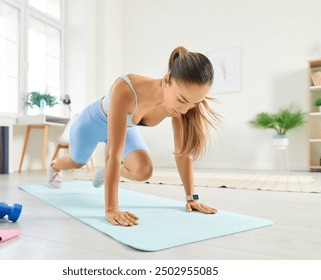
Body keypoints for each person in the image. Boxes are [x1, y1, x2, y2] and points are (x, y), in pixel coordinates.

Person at [48, 46, 220, 227]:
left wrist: (191, 198)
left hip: (126, 127)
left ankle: (105, 174)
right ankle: (54, 166)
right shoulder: (125, 88)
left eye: (194, 104)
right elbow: (113, 153)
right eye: (182, 100)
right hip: (90, 124)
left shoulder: (178, 108)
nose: (185, 110)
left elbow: (182, 152)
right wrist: (112, 208)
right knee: (77, 162)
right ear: (166, 80)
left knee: (143, 170)